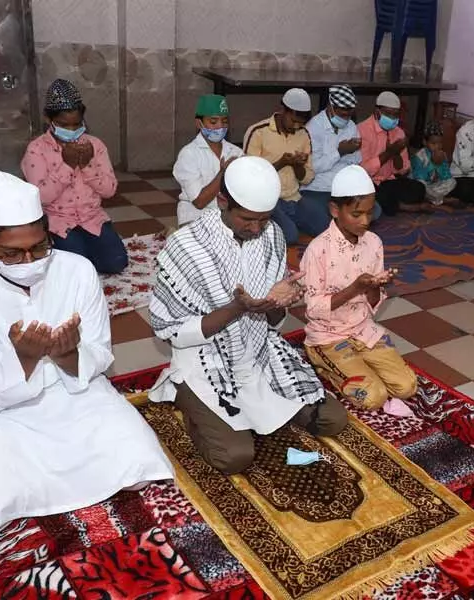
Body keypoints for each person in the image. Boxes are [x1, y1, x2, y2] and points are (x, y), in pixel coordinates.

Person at [0, 172, 173, 539]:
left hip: (72, 393)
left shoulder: (76, 270)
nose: (29, 260)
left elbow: (101, 356)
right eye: (12, 253)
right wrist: (24, 360)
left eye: (39, 247)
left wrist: (68, 355)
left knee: (140, 466)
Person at [148, 156, 348, 475]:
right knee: (234, 456)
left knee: (332, 419)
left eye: (264, 219)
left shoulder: (272, 237)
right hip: (204, 359)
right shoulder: (184, 247)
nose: (256, 229)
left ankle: (255, 410)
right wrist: (236, 309)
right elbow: (169, 331)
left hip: (258, 354)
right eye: (247, 219)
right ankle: (188, 401)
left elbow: (273, 322)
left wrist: (276, 305)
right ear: (223, 201)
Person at [301, 165, 417, 416]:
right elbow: (314, 308)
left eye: (369, 213)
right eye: (356, 214)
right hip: (328, 335)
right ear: (335, 210)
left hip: (362, 329)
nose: (365, 221)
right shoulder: (318, 250)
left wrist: (376, 287)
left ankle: (355, 364)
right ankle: (322, 362)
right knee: (372, 397)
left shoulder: (373, 243)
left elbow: (373, 302)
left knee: (406, 386)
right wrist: (355, 288)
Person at [21, 79, 127, 274]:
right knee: (77, 267)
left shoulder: (95, 145)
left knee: (117, 262)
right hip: (58, 221)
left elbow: (110, 190)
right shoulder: (37, 149)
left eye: (76, 124)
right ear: (48, 119)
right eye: (63, 125)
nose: (71, 131)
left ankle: (82, 254)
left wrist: (87, 166)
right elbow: (41, 197)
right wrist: (67, 166)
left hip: (92, 218)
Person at [299, 85, 382, 236]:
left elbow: (356, 160)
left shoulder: (350, 126)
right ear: (330, 107)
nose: (345, 119)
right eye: (342, 114)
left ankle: (342, 221)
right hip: (316, 189)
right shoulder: (313, 128)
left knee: (375, 210)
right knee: (321, 224)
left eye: (348, 115)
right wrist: (339, 152)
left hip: (343, 188)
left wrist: (346, 154)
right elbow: (313, 166)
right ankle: (344, 222)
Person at [243, 88, 316, 243]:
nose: (297, 126)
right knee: (290, 237)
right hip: (267, 199)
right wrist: (281, 163)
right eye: (294, 121)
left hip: (294, 198)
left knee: (324, 227)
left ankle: (284, 222)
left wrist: (297, 165)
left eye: (301, 123)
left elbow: (307, 178)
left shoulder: (303, 134)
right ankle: (271, 221)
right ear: (282, 110)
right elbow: (249, 176)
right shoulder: (258, 132)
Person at [173, 94, 245, 226]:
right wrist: (223, 173)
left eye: (224, 121)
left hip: (226, 217)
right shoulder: (189, 154)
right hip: (195, 216)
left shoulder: (236, 152)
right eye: (213, 122)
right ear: (198, 123)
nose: (220, 127)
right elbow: (199, 202)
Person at [358, 91, 429, 215]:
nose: (392, 119)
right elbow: (363, 171)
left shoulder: (398, 133)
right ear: (377, 112)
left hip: (388, 181)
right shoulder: (362, 130)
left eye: (395, 115)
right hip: (369, 181)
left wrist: (396, 153)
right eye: (388, 114)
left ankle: (395, 205)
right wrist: (389, 152)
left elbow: (402, 170)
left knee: (419, 189)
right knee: (369, 194)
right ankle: (404, 207)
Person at [411, 122, 459, 206]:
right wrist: (433, 164)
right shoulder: (419, 156)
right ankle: (442, 200)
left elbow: (446, 175)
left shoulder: (442, 155)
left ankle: (432, 198)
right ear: (425, 142)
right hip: (422, 185)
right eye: (433, 144)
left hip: (434, 186)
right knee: (420, 186)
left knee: (452, 182)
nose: (437, 147)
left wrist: (440, 164)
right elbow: (419, 176)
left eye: (440, 143)